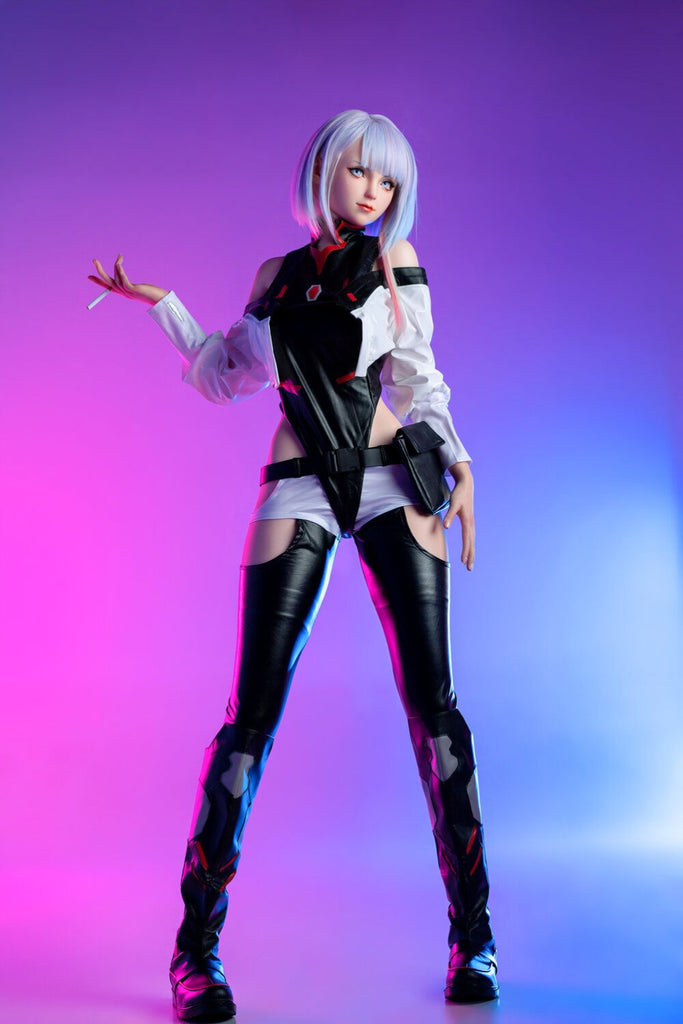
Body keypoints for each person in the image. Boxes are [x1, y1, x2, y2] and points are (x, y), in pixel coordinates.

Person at [87, 108, 499, 1020]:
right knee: (249, 721)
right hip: (300, 485)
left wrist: (460, 463)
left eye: (387, 179)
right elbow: (222, 375)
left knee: (435, 712)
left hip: (390, 479)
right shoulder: (274, 279)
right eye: (358, 171)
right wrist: (163, 306)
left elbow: (418, 378)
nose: (373, 191)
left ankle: (474, 939)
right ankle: (195, 955)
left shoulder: (394, 263)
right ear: (322, 172)